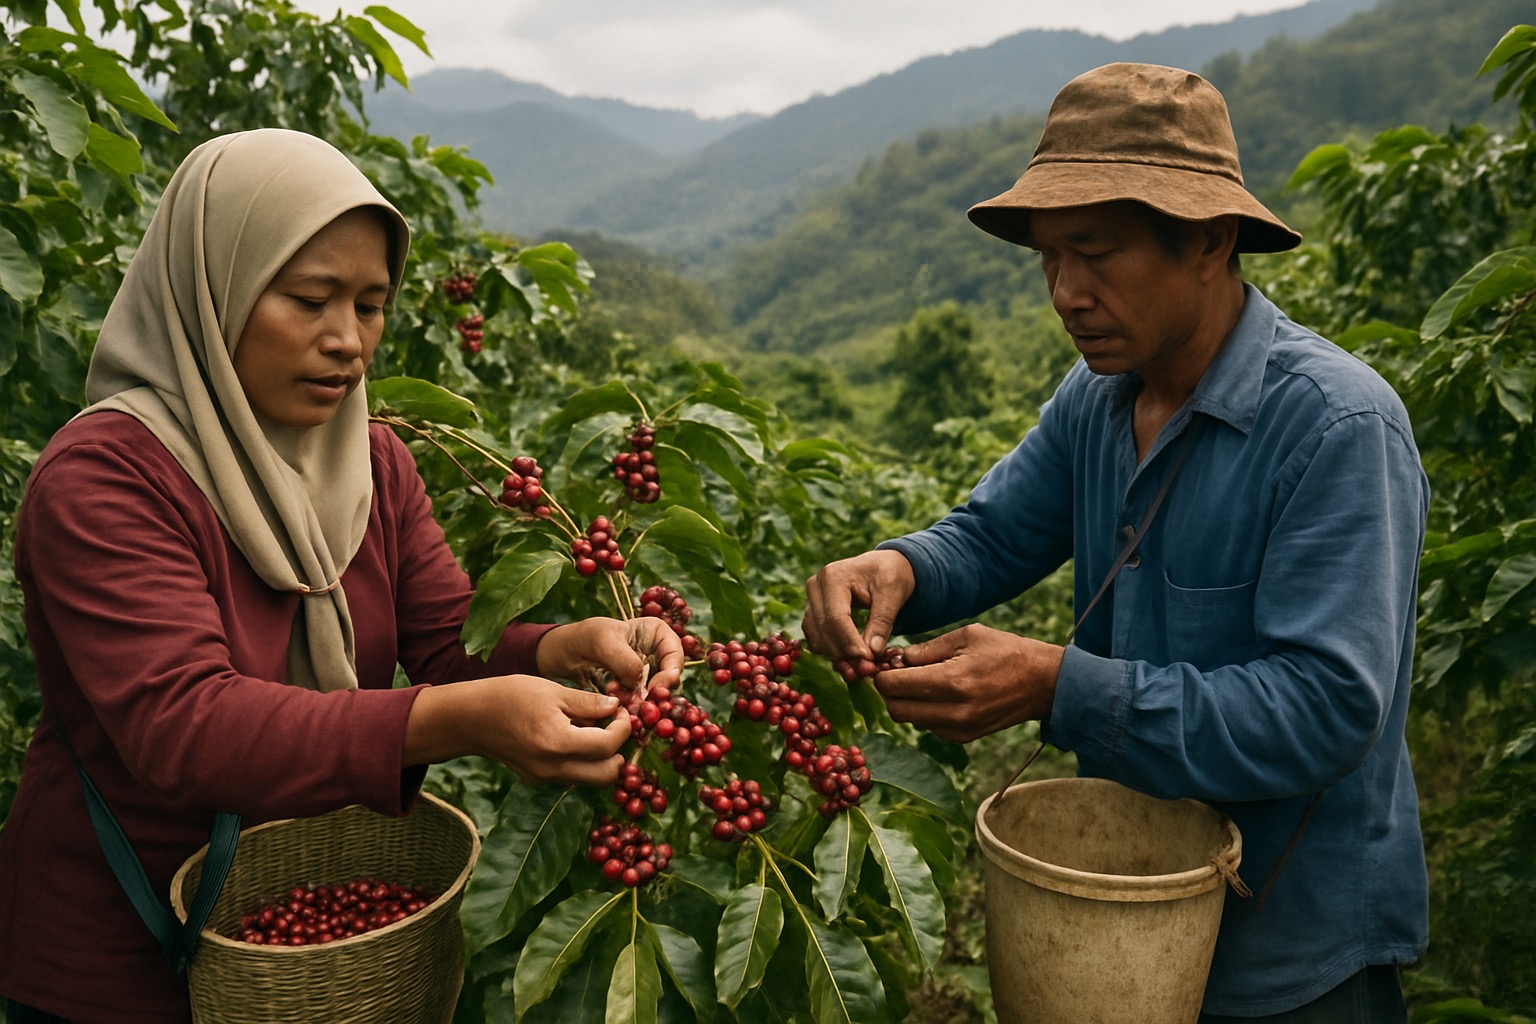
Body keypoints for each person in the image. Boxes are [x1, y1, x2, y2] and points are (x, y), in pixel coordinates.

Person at [0, 128, 681, 1024]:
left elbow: (449, 636)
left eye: (371, 304)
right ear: (214, 289)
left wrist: (563, 647)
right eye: (311, 298)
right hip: (113, 964)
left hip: (311, 953)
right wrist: (456, 721)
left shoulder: (373, 461)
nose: (348, 341)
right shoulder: (105, 479)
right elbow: (186, 724)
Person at [803, 63, 1428, 1022]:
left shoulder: (1336, 430)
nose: (1065, 292)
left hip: (1291, 959)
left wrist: (1057, 685)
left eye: (1095, 254)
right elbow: (993, 534)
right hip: (1116, 935)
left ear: (1210, 241)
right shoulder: (1098, 401)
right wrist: (901, 569)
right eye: (1050, 258)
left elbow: (1326, 710)